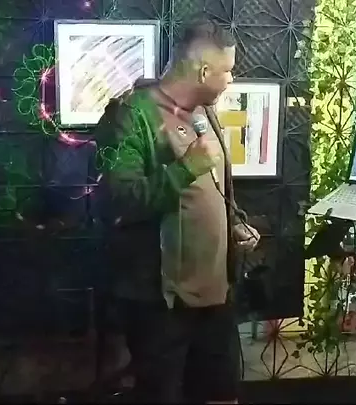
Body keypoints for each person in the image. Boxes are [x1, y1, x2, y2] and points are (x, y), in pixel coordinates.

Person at [94, 17, 261, 404]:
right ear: (203, 71)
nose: (231, 79)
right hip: (160, 304)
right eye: (228, 71)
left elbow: (212, 187)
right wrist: (185, 168)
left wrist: (234, 223)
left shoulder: (204, 111)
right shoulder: (129, 116)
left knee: (221, 395)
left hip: (215, 295)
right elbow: (116, 201)